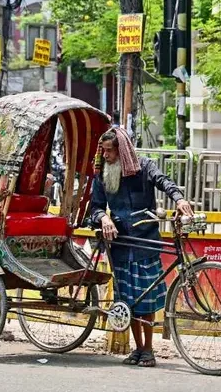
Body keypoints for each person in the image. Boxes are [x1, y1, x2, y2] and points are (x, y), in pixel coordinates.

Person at [90, 128, 193, 368]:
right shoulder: (102, 175)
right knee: (129, 301)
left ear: (121, 150)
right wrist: (103, 219)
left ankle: (149, 350)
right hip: (121, 245)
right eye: (102, 151)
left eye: (109, 151)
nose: (105, 155)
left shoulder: (145, 167)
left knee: (146, 302)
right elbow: (95, 208)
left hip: (146, 242)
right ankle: (138, 349)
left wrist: (179, 198)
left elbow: (165, 182)